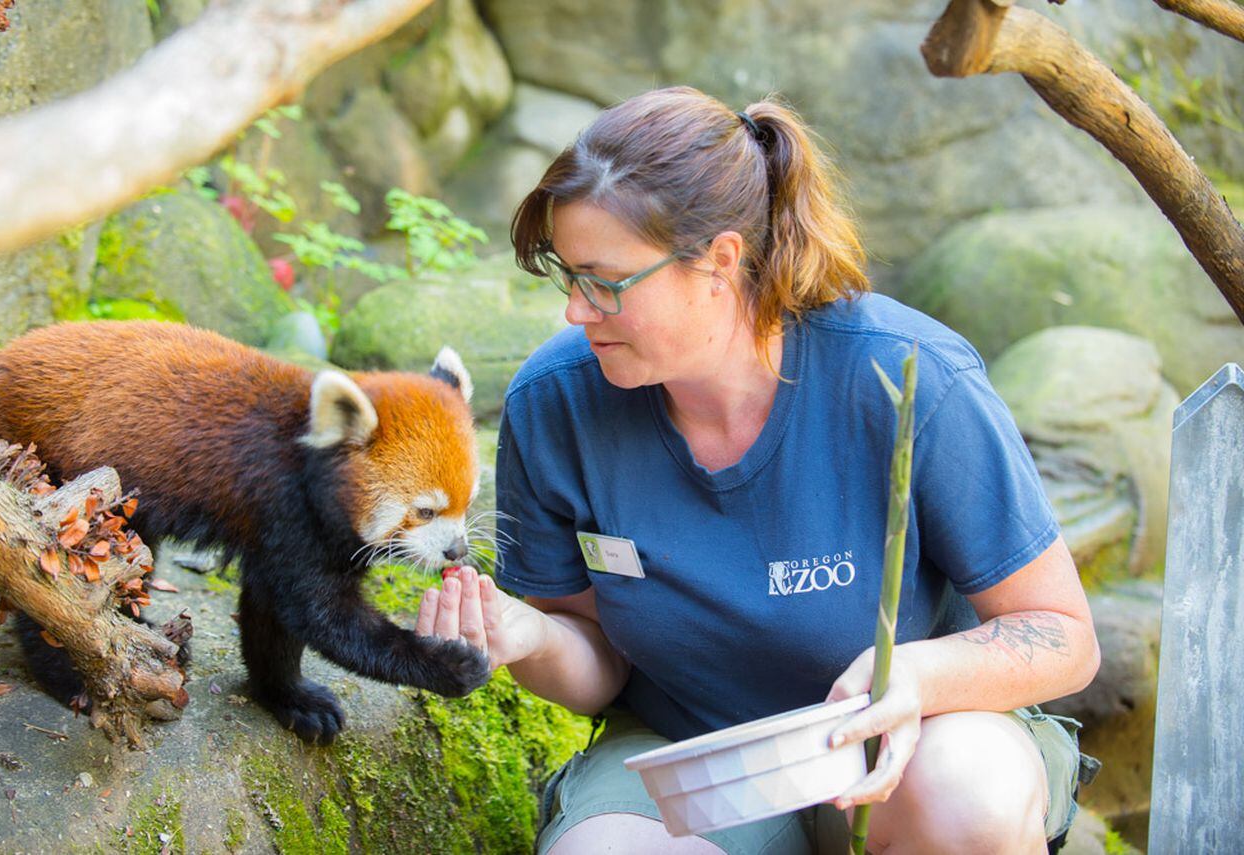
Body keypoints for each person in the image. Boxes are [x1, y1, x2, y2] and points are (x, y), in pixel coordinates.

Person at [414, 86, 1100, 854]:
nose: (575, 309)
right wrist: (529, 634)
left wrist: (919, 674)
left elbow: (1064, 635)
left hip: (906, 743)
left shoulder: (908, 377)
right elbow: (596, 661)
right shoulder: (555, 404)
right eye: (564, 273)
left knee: (969, 795)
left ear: (720, 261)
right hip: (692, 761)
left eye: (603, 281)